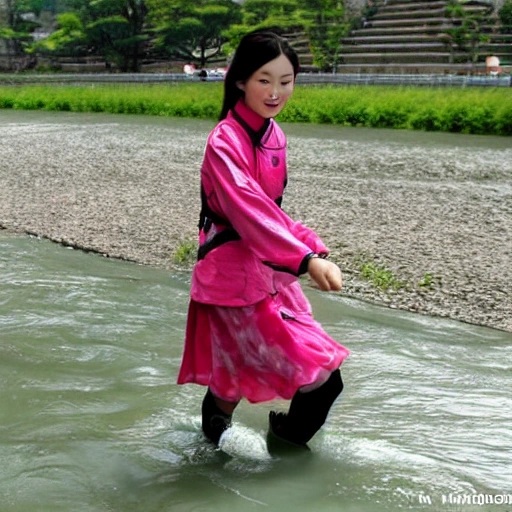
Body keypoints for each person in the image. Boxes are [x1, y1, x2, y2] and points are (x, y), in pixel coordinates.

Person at [177, 30, 350, 448]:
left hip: (268, 272)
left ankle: (280, 446)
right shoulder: (224, 140)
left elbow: (270, 211)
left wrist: (308, 245)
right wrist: (306, 258)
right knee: (229, 384)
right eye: (264, 79)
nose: (276, 92)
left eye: (286, 81)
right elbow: (248, 210)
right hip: (230, 277)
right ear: (240, 80)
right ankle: (217, 462)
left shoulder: (275, 136)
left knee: (320, 380)